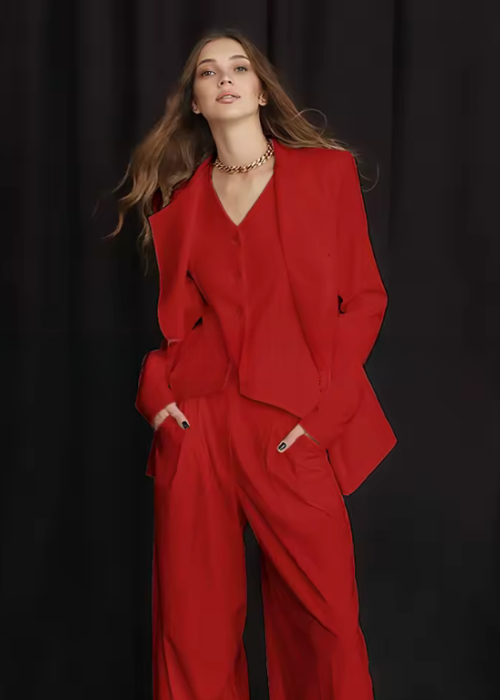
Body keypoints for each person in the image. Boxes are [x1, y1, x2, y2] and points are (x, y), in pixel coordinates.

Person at [111, 27, 397, 700]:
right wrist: (157, 395)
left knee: (326, 624)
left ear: (261, 91)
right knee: (192, 628)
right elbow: (183, 328)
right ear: (196, 102)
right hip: (198, 426)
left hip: (291, 427)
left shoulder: (326, 175)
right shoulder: (178, 204)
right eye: (208, 72)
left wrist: (322, 421)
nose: (225, 79)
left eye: (238, 67)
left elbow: (364, 301)